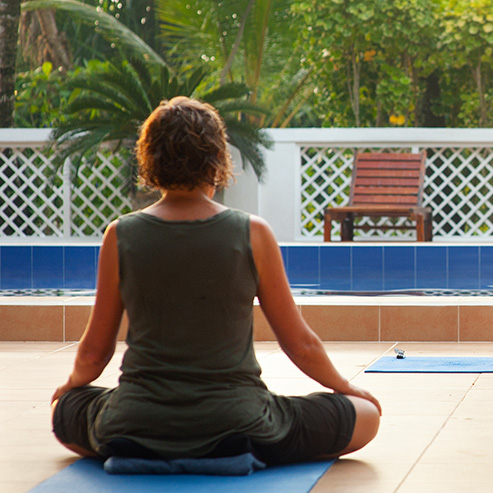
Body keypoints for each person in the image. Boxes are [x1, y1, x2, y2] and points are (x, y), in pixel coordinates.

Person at [51, 97, 381, 465]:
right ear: (216, 160)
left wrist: (70, 386)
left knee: (64, 409)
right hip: (240, 424)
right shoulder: (253, 232)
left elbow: (94, 352)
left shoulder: (120, 234)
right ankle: (228, 452)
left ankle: (143, 450)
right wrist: (346, 388)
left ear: (149, 159)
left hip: (135, 423)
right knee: (365, 417)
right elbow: (300, 345)